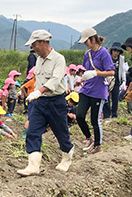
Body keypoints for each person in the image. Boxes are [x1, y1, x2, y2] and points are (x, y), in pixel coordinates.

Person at [18, 30, 75, 175]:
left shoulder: (58, 59)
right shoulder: (38, 60)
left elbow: (55, 80)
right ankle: (33, 166)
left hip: (56, 101)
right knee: (33, 131)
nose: (34, 49)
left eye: (35, 45)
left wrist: (40, 91)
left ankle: (67, 158)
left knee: (61, 132)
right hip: (39, 102)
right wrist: (36, 94)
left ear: (44, 42)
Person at [76, 27, 115, 154]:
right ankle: (89, 138)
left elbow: (111, 72)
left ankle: (98, 145)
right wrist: (82, 79)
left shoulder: (104, 53)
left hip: (99, 90)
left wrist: (96, 73)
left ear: (93, 39)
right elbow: (85, 71)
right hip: (86, 88)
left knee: (95, 119)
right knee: (80, 115)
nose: (85, 44)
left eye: (86, 41)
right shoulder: (87, 54)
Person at [103, 42, 128, 119]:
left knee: (115, 97)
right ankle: (106, 114)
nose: (116, 53)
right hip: (107, 80)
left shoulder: (121, 59)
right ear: (112, 51)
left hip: (116, 80)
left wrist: (123, 80)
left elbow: (123, 70)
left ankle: (114, 114)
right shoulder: (108, 57)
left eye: (118, 51)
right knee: (105, 97)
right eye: (115, 51)